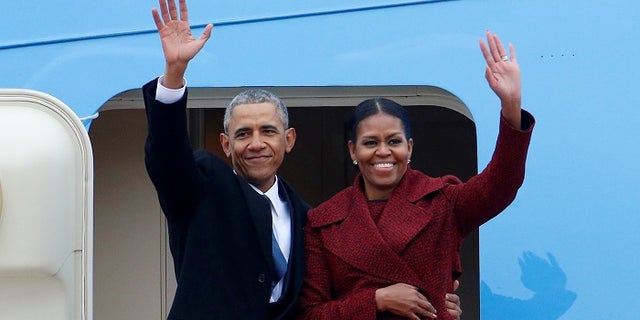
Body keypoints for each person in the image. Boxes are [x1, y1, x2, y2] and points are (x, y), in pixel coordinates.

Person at [143, 0, 462, 319]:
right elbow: (167, 162)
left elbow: (336, 298)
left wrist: (435, 296)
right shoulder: (204, 188)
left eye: (268, 131)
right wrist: (174, 75)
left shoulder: (310, 219)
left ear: (288, 139)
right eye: (243, 134)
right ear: (226, 145)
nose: (256, 144)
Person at [298, 31, 534, 320]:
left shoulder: (442, 201)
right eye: (370, 142)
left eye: (394, 141)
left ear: (409, 147)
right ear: (352, 151)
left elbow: (500, 186)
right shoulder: (323, 222)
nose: (383, 151)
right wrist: (377, 300)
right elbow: (310, 315)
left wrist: (511, 106)